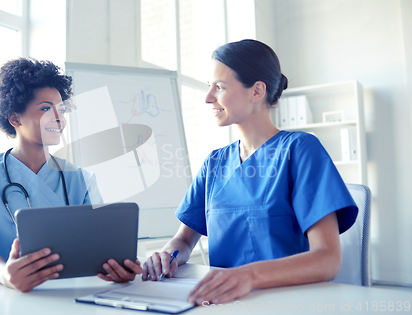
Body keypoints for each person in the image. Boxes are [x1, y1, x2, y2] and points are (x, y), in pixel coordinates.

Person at [141, 39, 358, 305]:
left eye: (219, 87)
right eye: (209, 87)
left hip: (291, 303)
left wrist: (249, 276)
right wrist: (166, 254)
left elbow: (328, 259)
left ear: (256, 91)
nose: (208, 98)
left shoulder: (300, 150)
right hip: (223, 304)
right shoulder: (215, 162)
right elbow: (184, 240)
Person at [0, 58, 142, 292]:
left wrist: (115, 268)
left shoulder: (80, 179)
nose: (59, 118)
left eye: (61, 110)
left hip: (67, 294)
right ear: (14, 118)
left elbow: (98, 249)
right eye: (45, 108)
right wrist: (6, 276)